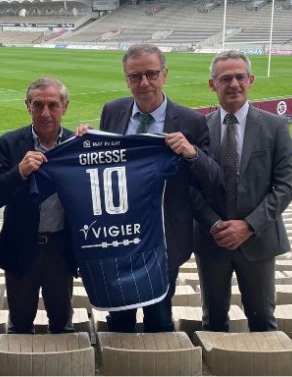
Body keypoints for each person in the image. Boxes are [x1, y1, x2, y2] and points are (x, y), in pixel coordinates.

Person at [82, 43, 221, 333]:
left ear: (165, 75)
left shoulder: (191, 121)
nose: (144, 83)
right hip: (120, 235)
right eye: (135, 76)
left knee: (158, 316)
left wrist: (192, 152)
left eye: (151, 74)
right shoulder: (113, 110)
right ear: (127, 80)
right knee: (119, 316)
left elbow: (213, 180)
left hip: (165, 237)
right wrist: (86, 141)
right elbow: (104, 163)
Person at [193, 50, 292, 332]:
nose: (234, 84)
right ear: (212, 84)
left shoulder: (275, 127)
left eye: (240, 77)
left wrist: (249, 226)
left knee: (263, 320)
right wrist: (215, 224)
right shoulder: (199, 129)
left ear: (250, 80)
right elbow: (192, 189)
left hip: (259, 241)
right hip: (211, 241)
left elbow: (285, 186)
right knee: (212, 321)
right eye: (225, 78)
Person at [0, 77, 76, 334]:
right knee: (19, 325)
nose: (45, 113)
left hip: (60, 250)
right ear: (28, 106)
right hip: (20, 248)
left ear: (65, 106)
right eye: (38, 105)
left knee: (62, 325)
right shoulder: (8, 143)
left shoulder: (76, 144)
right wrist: (20, 171)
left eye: (53, 105)